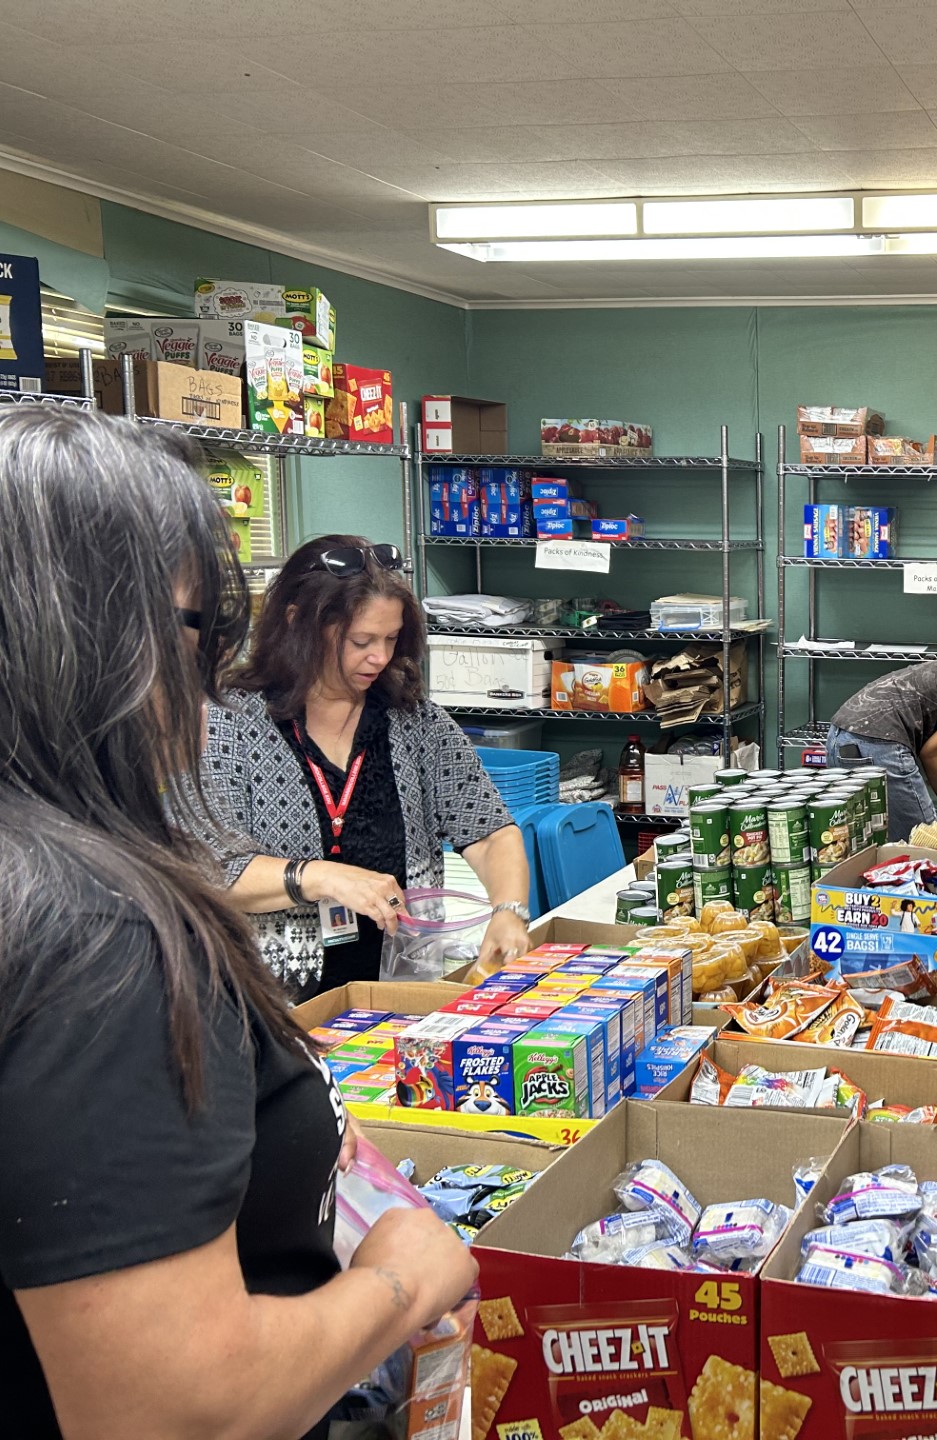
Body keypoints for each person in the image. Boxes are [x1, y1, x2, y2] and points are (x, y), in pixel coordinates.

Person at [0, 407, 475, 1440]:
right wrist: (401, 1279)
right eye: (199, 629)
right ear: (90, 638)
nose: (209, 682)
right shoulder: (101, 940)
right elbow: (183, 1409)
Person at [192, 535, 532, 1001]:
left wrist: (509, 911)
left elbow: (490, 832)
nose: (381, 657)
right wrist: (321, 877)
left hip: (396, 992)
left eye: (391, 639)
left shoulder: (414, 721)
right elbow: (206, 870)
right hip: (272, 1006)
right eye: (361, 641)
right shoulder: (230, 724)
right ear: (296, 623)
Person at [825, 654, 937, 841]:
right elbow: (933, 755)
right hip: (878, 741)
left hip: (839, 736)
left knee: (865, 844)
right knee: (926, 842)